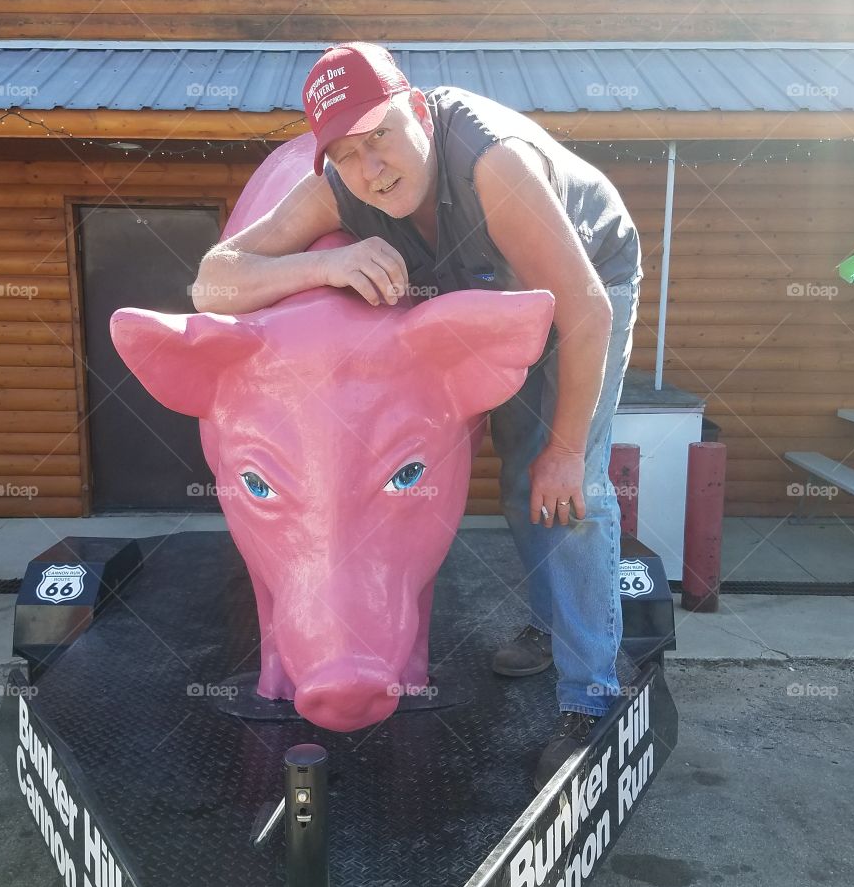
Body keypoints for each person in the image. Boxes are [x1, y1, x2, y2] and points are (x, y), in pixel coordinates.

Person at [192, 42, 642, 790]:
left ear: (417, 108)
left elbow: (586, 309)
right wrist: (322, 264)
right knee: (515, 467)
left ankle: (590, 699)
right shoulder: (341, 189)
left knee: (569, 484)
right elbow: (212, 281)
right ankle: (548, 621)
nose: (373, 167)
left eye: (381, 135)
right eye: (346, 151)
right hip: (483, 285)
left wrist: (565, 450)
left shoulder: (492, 166)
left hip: (585, 278)